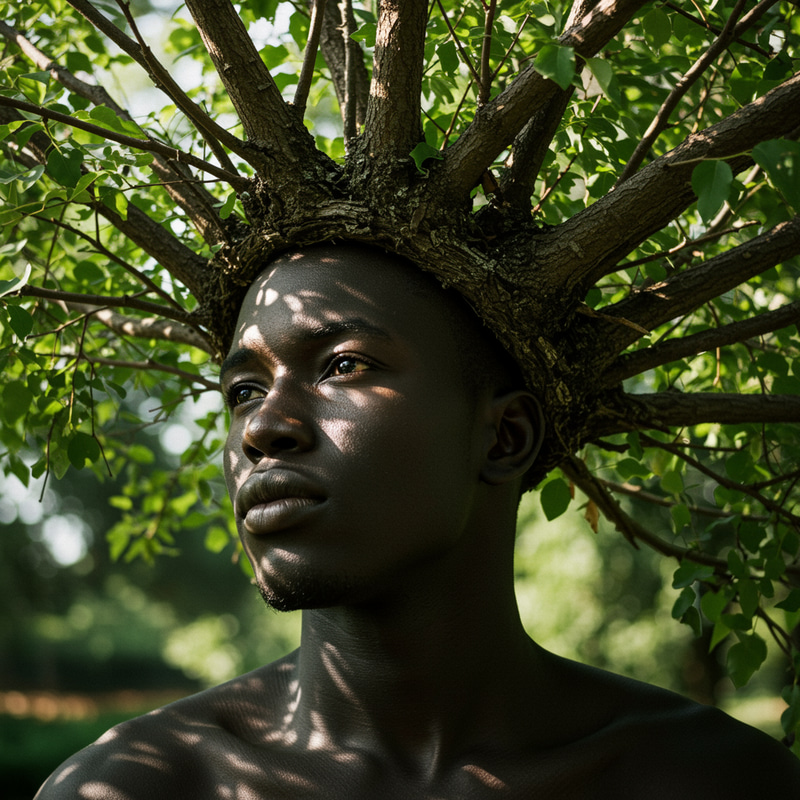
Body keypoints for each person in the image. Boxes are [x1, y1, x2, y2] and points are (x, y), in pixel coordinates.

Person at [36, 244, 800, 798]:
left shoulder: (715, 782)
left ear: (504, 438)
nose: (262, 428)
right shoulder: (138, 788)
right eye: (241, 390)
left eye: (343, 365)